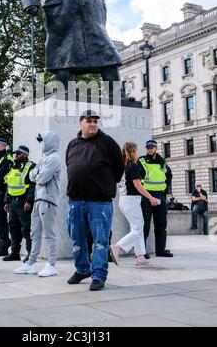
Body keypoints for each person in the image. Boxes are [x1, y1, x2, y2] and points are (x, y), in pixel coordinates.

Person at [65, 110, 124, 291]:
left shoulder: (107, 142)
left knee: (100, 240)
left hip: (99, 202)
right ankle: (82, 269)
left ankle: (98, 275)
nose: (92, 124)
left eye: (95, 121)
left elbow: (119, 167)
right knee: (76, 239)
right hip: (75, 201)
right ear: (80, 123)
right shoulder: (73, 144)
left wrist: (103, 183)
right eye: (88, 121)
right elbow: (70, 165)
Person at [14, 131, 61, 277]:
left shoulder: (54, 158)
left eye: (42, 141)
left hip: (48, 200)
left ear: (49, 141)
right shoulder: (44, 158)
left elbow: (41, 178)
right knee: (34, 233)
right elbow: (31, 175)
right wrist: (37, 174)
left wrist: (37, 174)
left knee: (49, 234)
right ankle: (31, 263)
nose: (41, 143)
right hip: (38, 199)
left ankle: (51, 265)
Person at [110, 142, 158, 266]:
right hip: (131, 200)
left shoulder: (121, 166)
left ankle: (140, 256)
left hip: (124, 200)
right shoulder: (133, 166)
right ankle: (117, 247)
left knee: (136, 228)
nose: (137, 152)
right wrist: (151, 197)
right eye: (136, 150)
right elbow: (138, 185)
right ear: (132, 152)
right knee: (137, 229)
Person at [138, 139, 173, 258]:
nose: (149, 149)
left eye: (151, 147)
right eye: (148, 147)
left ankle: (160, 250)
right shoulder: (141, 160)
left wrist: (165, 191)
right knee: (145, 224)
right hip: (147, 195)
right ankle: (141, 252)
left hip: (160, 195)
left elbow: (169, 176)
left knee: (161, 223)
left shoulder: (162, 161)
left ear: (156, 148)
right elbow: (137, 178)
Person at [3, 145, 36, 262]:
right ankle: (15, 253)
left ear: (25, 154)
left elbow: (33, 185)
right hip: (12, 202)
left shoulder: (30, 166)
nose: (16, 155)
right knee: (13, 228)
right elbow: (9, 185)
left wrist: (29, 201)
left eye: (19, 153)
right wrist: (6, 201)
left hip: (23, 202)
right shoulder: (13, 166)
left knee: (26, 229)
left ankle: (30, 254)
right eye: (15, 154)